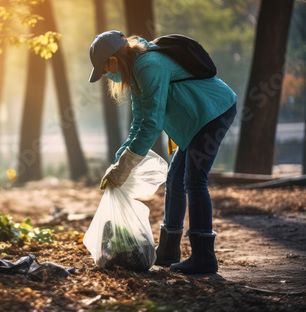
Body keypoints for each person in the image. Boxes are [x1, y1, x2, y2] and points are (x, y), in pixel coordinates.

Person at [88, 30, 237, 274]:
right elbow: (139, 121)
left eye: (105, 70)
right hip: (195, 120)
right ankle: (168, 251)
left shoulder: (148, 65)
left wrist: (124, 168)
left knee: (194, 180)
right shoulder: (137, 70)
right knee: (175, 179)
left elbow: (152, 124)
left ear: (113, 61)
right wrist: (117, 164)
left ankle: (204, 257)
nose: (107, 76)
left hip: (213, 112)